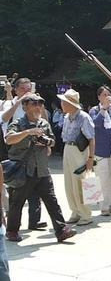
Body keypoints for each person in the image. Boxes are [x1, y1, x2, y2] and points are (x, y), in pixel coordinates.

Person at [4, 94, 76, 243]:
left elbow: (52, 141)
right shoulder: (18, 123)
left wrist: (46, 142)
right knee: (17, 203)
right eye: (34, 104)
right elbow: (9, 139)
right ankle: (12, 231)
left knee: (52, 201)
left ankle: (61, 230)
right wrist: (27, 133)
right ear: (25, 107)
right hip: (24, 170)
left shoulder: (44, 123)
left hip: (42, 169)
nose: (38, 107)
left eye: (40, 104)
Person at [1, 77, 45, 230]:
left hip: (33, 149)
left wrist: (38, 103)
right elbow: (4, 118)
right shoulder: (8, 103)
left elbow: (44, 121)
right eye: (23, 89)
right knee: (16, 185)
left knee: (36, 184)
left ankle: (35, 220)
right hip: (15, 149)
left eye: (29, 89)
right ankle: (15, 221)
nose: (27, 92)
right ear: (16, 90)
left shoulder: (36, 103)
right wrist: (19, 101)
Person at [59, 89, 95, 226]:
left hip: (79, 151)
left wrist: (91, 158)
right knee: (69, 183)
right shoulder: (66, 117)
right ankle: (75, 211)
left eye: (64, 102)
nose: (62, 104)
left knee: (80, 183)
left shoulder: (84, 117)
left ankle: (86, 214)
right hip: (68, 148)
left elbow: (91, 138)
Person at [89, 86, 111, 217]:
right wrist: (103, 109)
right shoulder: (95, 110)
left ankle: (110, 204)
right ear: (99, 97)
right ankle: (103, 206)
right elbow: (94, 125)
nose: (107, 97)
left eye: (108, 94)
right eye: (104, 95)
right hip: (100, 151)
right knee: (102, 179)